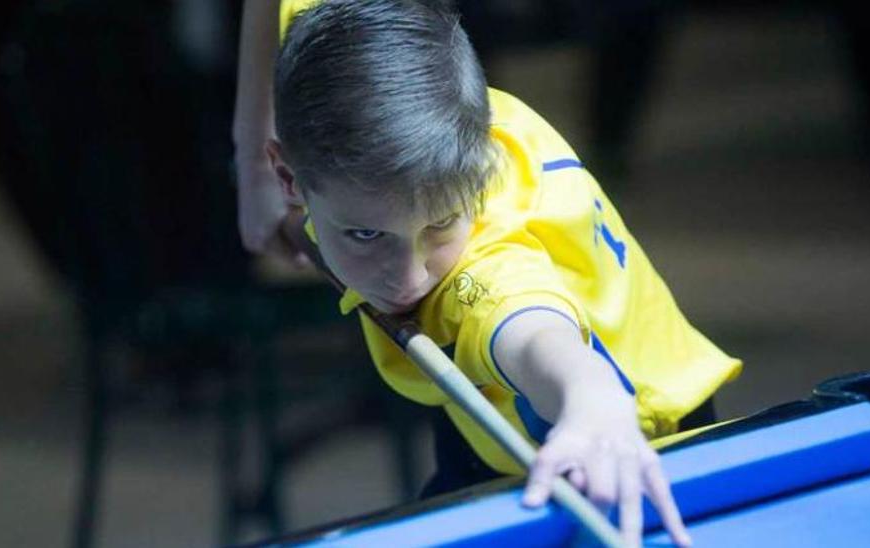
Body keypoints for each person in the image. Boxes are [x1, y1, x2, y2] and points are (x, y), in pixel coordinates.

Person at [236, 1, 742, 545]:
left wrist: (592, 395)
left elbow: (530, 327)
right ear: (290, 173)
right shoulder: (347, 37)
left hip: (624, 435)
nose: (408, 282)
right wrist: (251, 163)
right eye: (366, 234)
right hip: (485, 415)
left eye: (441, 226)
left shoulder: (484, 267)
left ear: (477, 171)